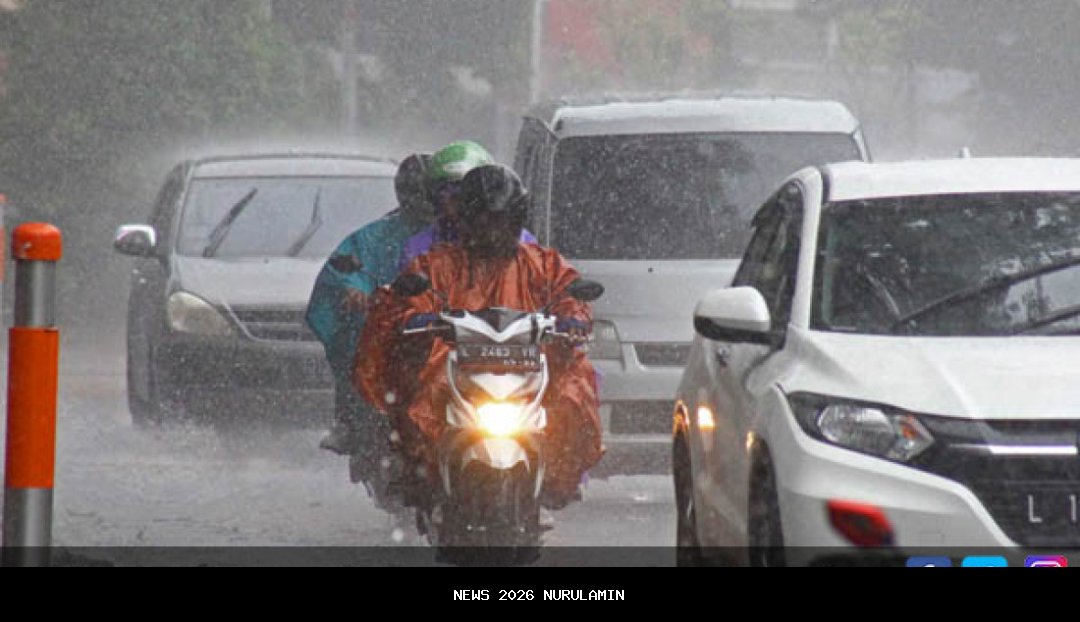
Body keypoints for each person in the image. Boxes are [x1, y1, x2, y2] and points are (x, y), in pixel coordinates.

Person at [355, 164, 603, 510]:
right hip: (455, 369)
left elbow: (568, 293)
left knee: (575, 388)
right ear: (466, 221)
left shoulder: (542, 264)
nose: (492, 232)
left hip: (529, 367)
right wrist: (417, 318)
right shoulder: (437, 265)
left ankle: (555, 478)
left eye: (501, 221)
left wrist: (572, 320)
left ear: (516, 221)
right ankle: (423, 476)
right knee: (420, 394)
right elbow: (406, 302)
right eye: (484, 221)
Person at [304, 154, 433, 494]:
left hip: (444, 334)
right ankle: (352, 420)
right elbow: (349, 267)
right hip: (393, 331)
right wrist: (356, 288)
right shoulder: (379, 236)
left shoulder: (465, 235)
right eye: (416, 194)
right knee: (359, 355)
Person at [398, 140, 536, 270]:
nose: (456, 200)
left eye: (468, 192)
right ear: (433, 197)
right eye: (445, 190)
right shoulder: (419, 249)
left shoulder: (524, 245)